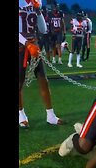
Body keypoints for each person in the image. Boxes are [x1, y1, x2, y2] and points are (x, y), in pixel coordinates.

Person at [19, 0, 63, 128]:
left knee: (43, 79)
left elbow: (43, 29)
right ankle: (21, 115)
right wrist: (27, 44)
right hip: (21, 47)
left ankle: (50, 115)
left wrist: (38, 11)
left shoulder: (37, 1)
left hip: (34, 44)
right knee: (19, 83)